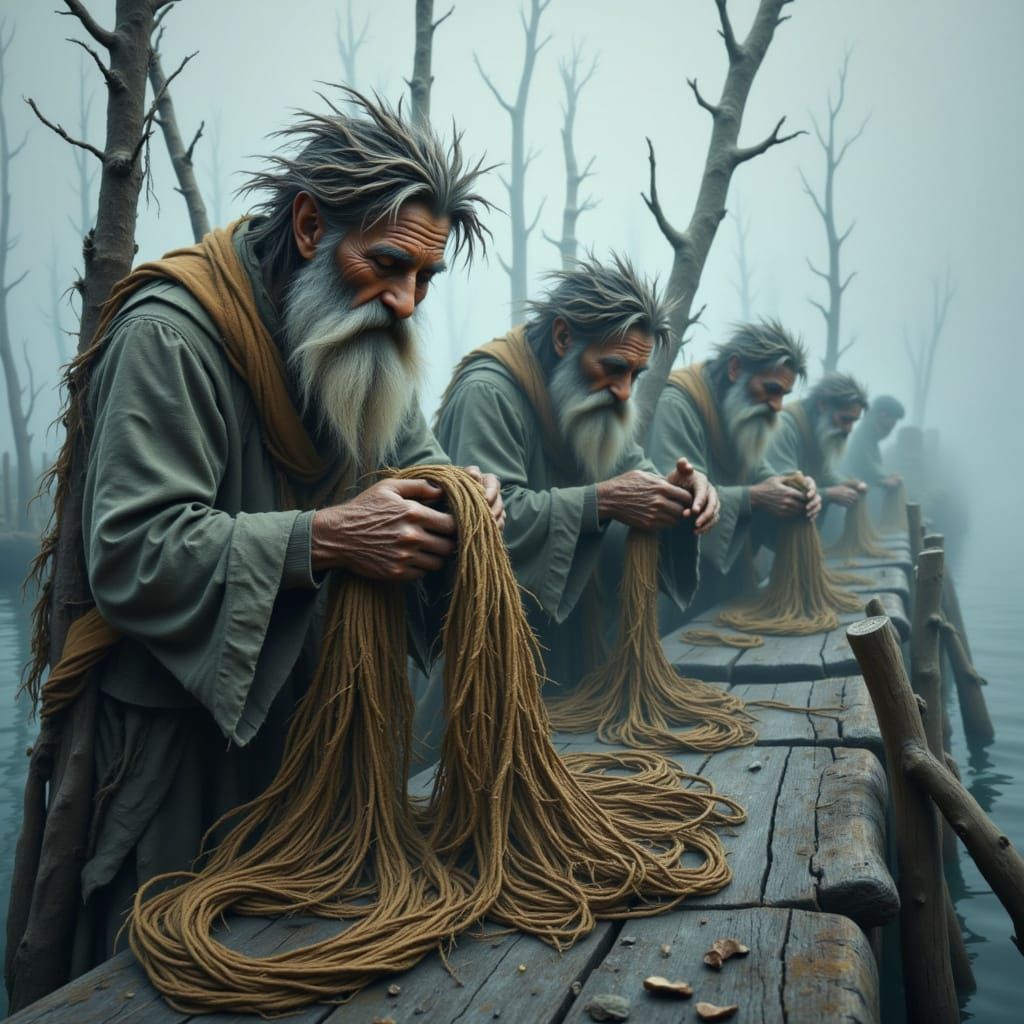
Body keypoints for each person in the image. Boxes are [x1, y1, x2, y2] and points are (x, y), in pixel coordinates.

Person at [7, 92, 503, 1007]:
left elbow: (413, 453)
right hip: (174, 755)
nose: (405, 302)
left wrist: (462, 494)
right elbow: (134, 549)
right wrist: (327, 537)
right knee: (162, 980)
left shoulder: (361, 334)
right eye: (388, 265)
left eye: (425, 280)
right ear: (312, 226)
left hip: (311, 745)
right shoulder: (171, 333)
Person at [430, 255, 719, 703]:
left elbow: (635, 474)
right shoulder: (487, 392)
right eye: (613, 367)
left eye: (635, 375)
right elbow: (482, 523)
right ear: (564, 337)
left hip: (575, 659)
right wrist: (602, 502)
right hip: (488, 662)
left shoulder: (602, 401)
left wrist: (685, 490)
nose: (624, 392)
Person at [646, 320, 820, 620]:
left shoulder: (738, 409)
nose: (778, 406)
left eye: (784, 395)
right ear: (736, 369)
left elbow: (760, 470)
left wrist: (796, 488)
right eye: (771, 389)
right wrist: (755, 497)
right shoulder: (677, 402)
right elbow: (676, 497)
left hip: (726, 584)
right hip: (675, 584)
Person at [766, 371, 870, 509]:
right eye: (845, 419)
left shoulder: (819, 429)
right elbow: (783, 486)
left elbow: (823, 473)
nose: (849, 429)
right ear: (823, 405)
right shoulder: (785, 425)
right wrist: (829, 494)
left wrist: (848, 484)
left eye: (854, 421)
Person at [841, 393, 905, 492]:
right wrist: (882, 479)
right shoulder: (860, 437)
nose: (888, 432)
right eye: (886, 428)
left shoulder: (871, 440)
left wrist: (886, 476)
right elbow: (861, 463)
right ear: (881, 415)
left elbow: (873, 465)